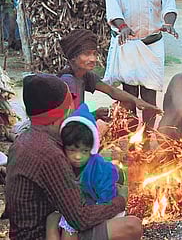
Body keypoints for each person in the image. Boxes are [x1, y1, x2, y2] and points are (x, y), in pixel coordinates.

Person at [4, 74, 142, 239]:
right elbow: (80, 219)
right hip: (39, 235)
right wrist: (119, 202)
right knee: (132, 226)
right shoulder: (49, 153)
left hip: (29, 229)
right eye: (70, 105)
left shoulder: (25, 139)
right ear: (59, 113)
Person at [103, 0, 178, 132]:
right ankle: (129, 140)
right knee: (127, 97)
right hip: (127, 43)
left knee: (150, 95)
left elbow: (169, 5)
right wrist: (123, 26)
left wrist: (168, 23)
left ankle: (145, 140)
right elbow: (113, 6)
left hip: (152, 44)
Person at [46, 103, 126, 240]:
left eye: (84, 151)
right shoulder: (61, 165)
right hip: (76, 210)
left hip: (100, 210)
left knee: (68, 232)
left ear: (92, 148)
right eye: (72, 150)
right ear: (63, 147)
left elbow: (106, 201)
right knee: (52, 220)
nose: (78, 156)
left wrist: (82, 218)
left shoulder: (102, 170)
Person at [58, 29, 162, 122]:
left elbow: (111, 91)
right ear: (73, 57)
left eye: (94, 54)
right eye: (87, 54)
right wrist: (94, 115)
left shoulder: (85, 76)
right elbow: (69, 121)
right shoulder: (68, 81)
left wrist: (137, 101)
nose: (93, 59)